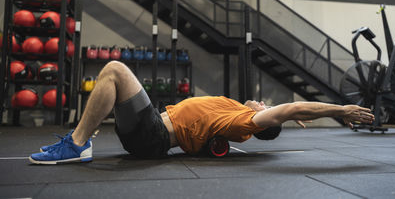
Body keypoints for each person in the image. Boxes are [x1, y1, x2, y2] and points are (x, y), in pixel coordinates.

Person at [29, 61, 374, 164]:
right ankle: (81, 137)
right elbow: (292, 111)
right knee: (113, 78)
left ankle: (76, 145)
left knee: (116, 71)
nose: (263, 103)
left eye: (268, 109)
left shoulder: (242, 123)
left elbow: (292, 107)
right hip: (146, 131)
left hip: (152, 137)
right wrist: (294, 115)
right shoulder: (236, 108)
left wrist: (340, 108)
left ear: (260, 122)